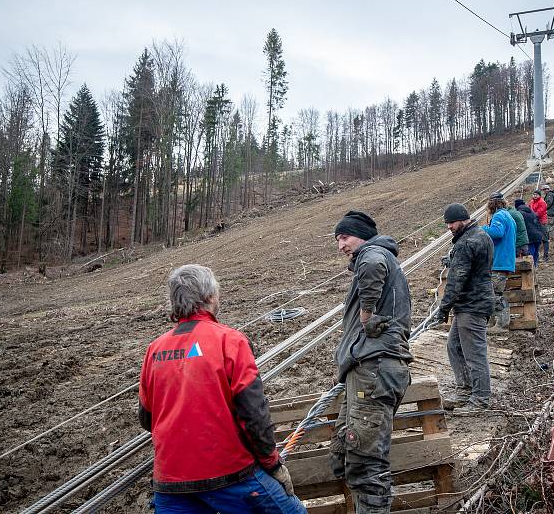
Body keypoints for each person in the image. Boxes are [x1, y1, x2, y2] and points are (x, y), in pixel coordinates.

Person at [138, 264, 306, 514]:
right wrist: (273, 465)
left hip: (170, 483)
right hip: (230, 476)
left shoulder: (155, 349)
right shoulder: (230, 341)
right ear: (209, 297)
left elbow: (146, 417)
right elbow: (253, 415)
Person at [330, 210, 413, 514]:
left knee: (366, 465)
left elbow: (372, 262)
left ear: (361, 234)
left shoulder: (373, 253)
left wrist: (366, 313)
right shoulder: (379, 256)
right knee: (346, 448)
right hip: (367, 369)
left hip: (373, 368)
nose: (340, 245)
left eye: (344, 237)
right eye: (337, 240)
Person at [435, 203, 495, 415]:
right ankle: (465, 390)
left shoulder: (466, 242)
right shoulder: (481, 236)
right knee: (454, 347)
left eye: (451, 222)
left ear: (462, 219)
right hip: (474, 302)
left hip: (472, 304)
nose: (449, 227)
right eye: (447, 223)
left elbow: (456, 279)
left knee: (474, 353)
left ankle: (480, 399)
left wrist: (443, 308)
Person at [481, 192, 516, 332]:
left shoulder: (499, 216)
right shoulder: (508, 216)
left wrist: (480, 229)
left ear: (491, 204)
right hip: (505, 260)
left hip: (499, 261)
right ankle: (493, 322)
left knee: (495, 293)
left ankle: (502, 324)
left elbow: (496, 232)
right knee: (494, 293)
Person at [514, 200, 545, 267]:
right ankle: (535, 267)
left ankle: (531, 269)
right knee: (536, 253)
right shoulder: (532, 211)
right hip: (538, 235)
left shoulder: (519, 213)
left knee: (530, 254)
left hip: (530, 237)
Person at [528, 189, 549, 262]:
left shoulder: (542, 202)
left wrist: (532, 216)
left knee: (544, 239)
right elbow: (529, 209)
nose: (535, 196)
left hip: (542, 221)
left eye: (536, 194)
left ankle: (546, 256)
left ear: (539, 195)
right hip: (534, 222)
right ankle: (537, 255)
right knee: (537, 238)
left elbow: (540, 212)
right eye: (534, 194)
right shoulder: (531, 202)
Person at [541, 184, 554, 258]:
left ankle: (551, 238)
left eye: (545, 189)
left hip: (550, 212)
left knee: (550, 226)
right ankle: (552, 237)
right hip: (552, 212)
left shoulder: (550, 195)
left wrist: (544, 208)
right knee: (551, 225)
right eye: (543, 190)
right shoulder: (550, 194)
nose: (544, 191)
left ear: (547, 189)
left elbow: (548, 203)